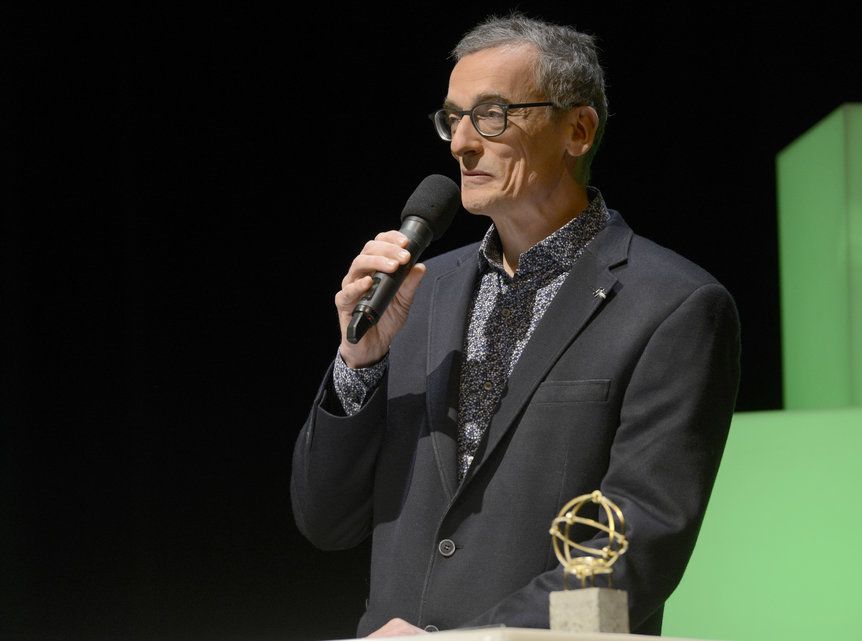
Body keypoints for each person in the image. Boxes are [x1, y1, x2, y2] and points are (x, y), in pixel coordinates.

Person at [291, 13, 740, 638]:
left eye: (493, 115)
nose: (461, 144)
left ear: (577, 129)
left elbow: (637, 553)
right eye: (453, 118)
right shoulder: (418, 293)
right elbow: (326, 522)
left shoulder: (674, 305)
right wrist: (357, 363)